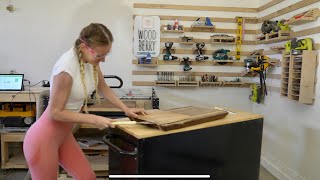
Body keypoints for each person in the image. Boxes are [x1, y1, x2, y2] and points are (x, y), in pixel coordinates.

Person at [23, 23, 146, 180]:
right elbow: (55, 113)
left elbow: (103, 88)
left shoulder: (90, 62)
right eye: (100, 56)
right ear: (84, 47)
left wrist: (126, 109)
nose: (103, 60)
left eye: (106, 55)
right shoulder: (66, 69)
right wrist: (94, 119)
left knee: (87, 177)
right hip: (43, 139)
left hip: (63, 135)